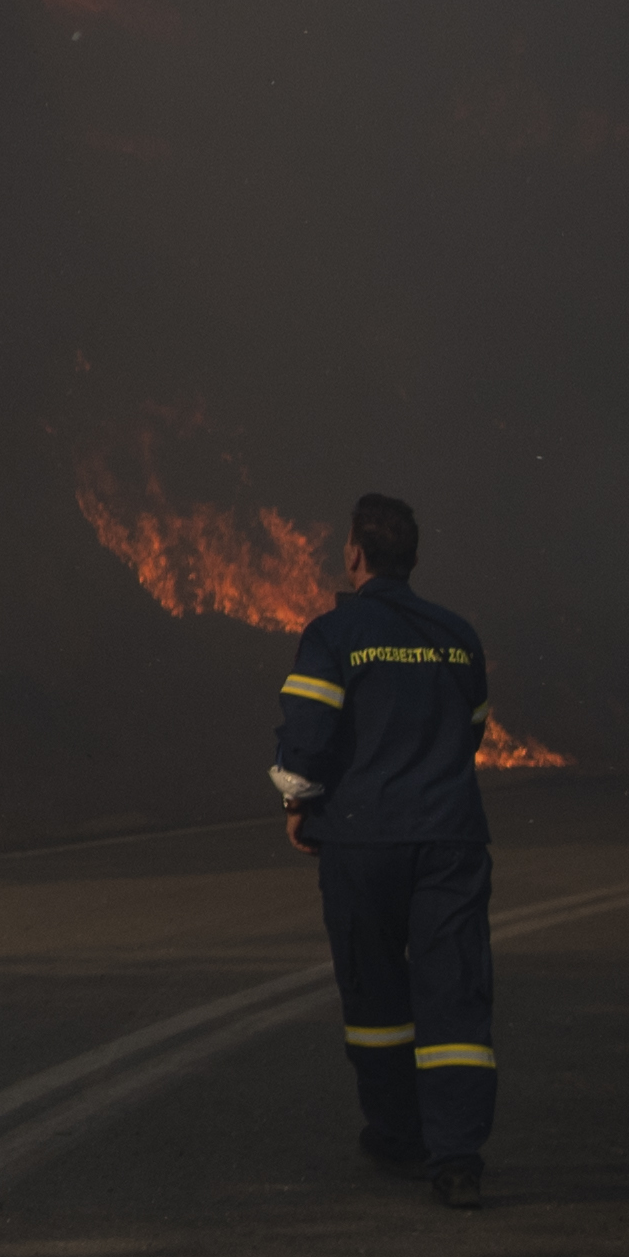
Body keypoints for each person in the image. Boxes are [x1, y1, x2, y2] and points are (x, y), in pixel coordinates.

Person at [271, 490, 501, 1208]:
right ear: (415, 558)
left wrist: (298, 802)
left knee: (376, 1000)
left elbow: (307, 733)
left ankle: (397, 1135)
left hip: (361, 839)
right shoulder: (458, 635)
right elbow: (473, 727)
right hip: (449, 837)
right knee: (453, 993)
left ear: (355, 554)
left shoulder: (335, 633)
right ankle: (457, 1155)